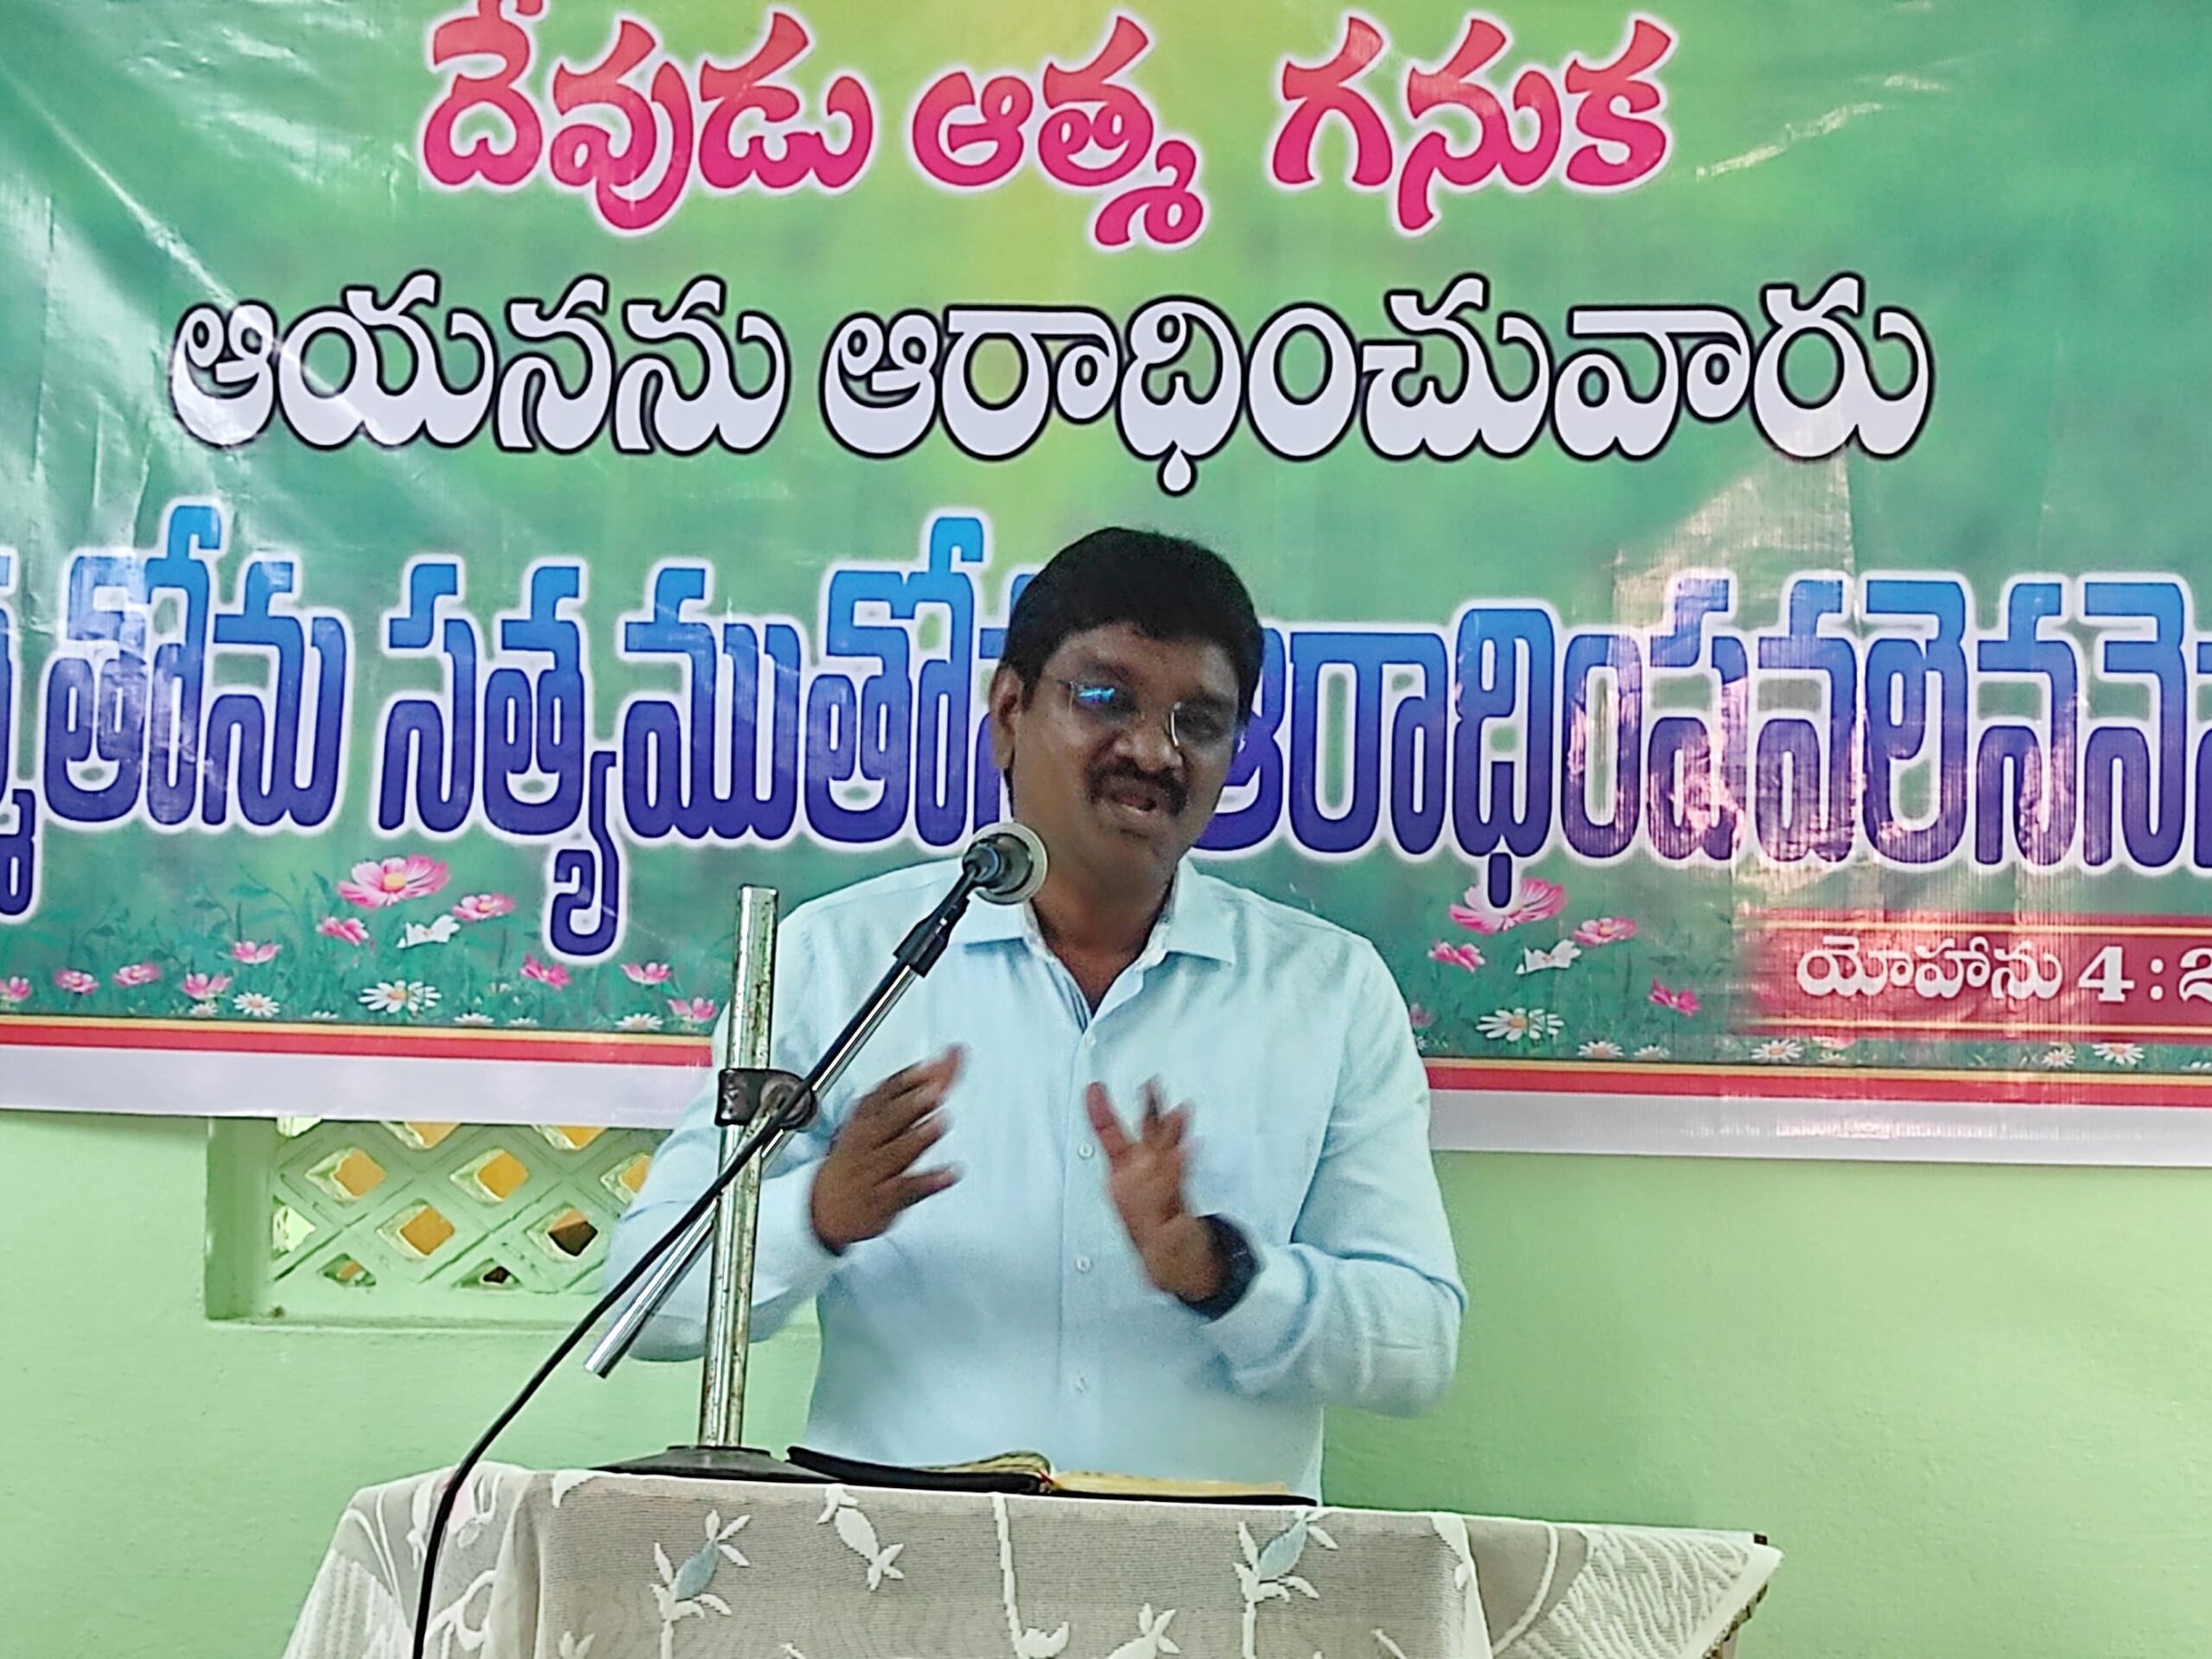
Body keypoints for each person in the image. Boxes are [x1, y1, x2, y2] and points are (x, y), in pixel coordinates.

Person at [609, 527, 1464, 1497]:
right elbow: (643, 1301)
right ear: (1010, 711)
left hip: (1215, 1564)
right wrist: (820, 1215)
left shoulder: (1326, 990)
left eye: (1199, 722)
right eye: (1106, 699)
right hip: (897, 1555)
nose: (1154, 751)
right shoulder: (839, 960)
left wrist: (1220, 1272)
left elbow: (1418, 1345)